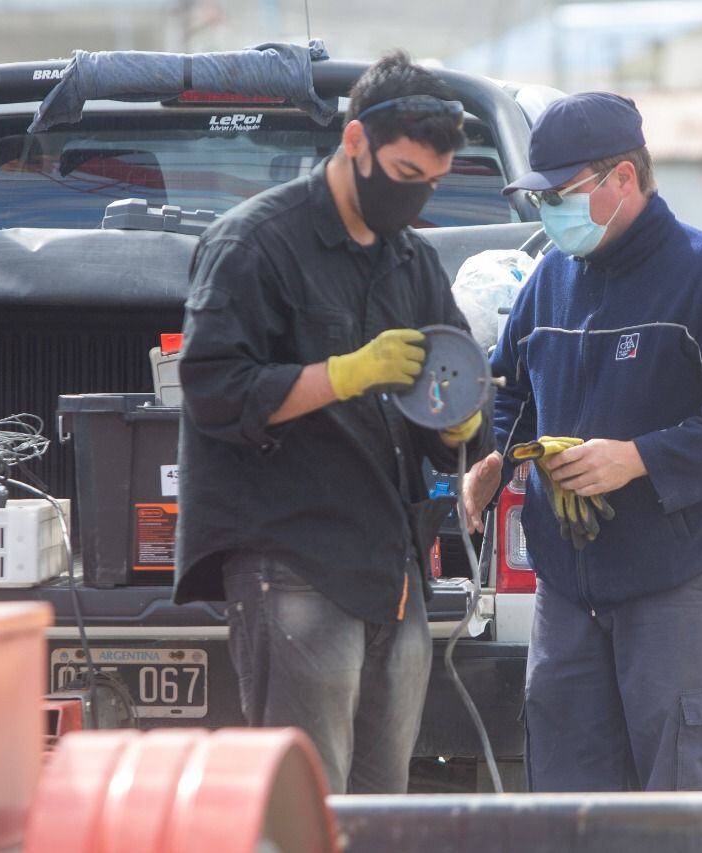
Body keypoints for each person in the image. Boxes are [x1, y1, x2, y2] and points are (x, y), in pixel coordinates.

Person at [172, 50, 491, 796]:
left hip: (391, 566)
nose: (416, 199)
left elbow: (456, 382)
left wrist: (454, 424)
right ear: (355, 143)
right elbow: (215, 390)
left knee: (382, 806)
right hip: (294, 561)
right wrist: (346, 373)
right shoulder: (256, 244)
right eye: (406, 178)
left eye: (433, 185)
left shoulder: (409, 262)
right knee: (307, 803)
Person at [463, 91, 702, 792]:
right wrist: (494, 458)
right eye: (542, 194)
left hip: (679, 578)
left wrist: (637, 458)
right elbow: (513, 391)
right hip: (566, 589)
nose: (550, 209)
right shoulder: (550, 280)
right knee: (568, 799)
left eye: (562, 192)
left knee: (682, 794)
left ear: (622, 178)